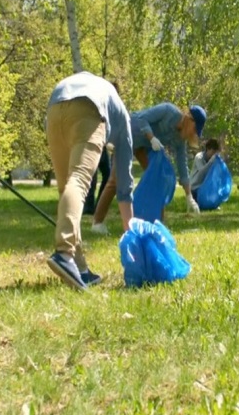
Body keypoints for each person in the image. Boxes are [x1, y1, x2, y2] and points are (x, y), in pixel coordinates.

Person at [46, 72, 135, 290]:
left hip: (54, 107)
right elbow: (124, 184)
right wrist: (131, 237)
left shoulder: (97, 84)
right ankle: (64, 252)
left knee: (66, 188)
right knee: (78, 181)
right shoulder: (122, 117)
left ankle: (80, 268)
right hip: (89, 109)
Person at [90, 102, 206, 232]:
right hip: (129, 133)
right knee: (115, 180)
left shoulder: (180, 139)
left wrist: (189, 195)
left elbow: (182, 164)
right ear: (190, 120)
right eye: (196, 129)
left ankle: (159, 223)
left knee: (159, 179)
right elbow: (141, 118)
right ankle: (97, 223)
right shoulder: (168, 111)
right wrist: (151, 138)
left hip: (145, 145)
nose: (194, 134)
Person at [190, 137, 221, 202]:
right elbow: (202, 172)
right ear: (207, 149)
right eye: (213, 151)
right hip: (195, 188)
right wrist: (211, 162)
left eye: (215, 152)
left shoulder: (214, 160)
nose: (213, 154)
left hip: (207, 188)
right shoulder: (199, 157)